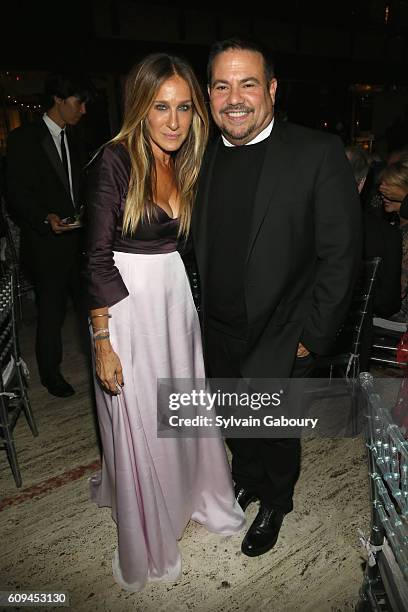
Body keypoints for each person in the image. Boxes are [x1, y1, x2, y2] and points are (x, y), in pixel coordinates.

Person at [191, 38, 362, 557]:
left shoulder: (316, 152)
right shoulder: (197, 156)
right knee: (234, 418)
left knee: (274, 430)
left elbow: (341, 254)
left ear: (271, 89)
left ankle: (277, 502)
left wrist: (313, 336)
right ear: (210, 94)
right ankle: (246, 477)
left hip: (285, 331)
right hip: (216, 326)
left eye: (248, 83)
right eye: (222, 85)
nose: (235, 97)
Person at [83, 53, 245, 592]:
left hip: (174, 298)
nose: (173, 121)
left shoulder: (190, 158)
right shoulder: (115, 159)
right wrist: (103, 340)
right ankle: (148, 521)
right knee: (139, 412)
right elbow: (96, 256)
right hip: (128, 305)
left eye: (182, 108)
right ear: (140, 108)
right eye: (160, 108)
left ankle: (188, 489)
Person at [6, 71, 94, 397]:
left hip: (78, 241)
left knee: (92, 306)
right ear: (58, 99)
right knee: (52, 313)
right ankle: (50, 374)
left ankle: (100, 360)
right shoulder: (24, 139)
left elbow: (77, 186)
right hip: (46, 244)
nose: (83, 110)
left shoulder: (74, 136)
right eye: (78, 102)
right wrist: (44, 218)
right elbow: (15, 192)